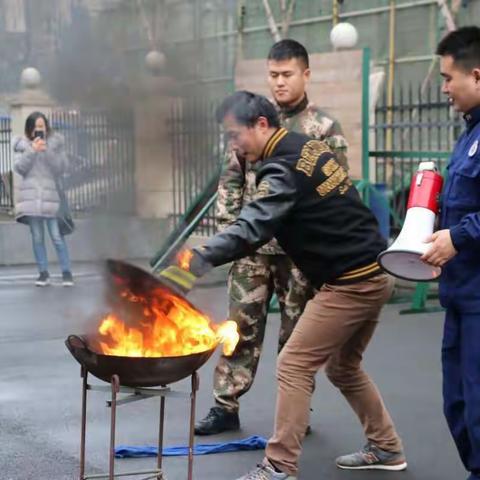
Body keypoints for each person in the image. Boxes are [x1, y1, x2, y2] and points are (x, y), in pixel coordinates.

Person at [160, 91, 406, 479]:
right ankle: (386, 446)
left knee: (293, 363)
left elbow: (254, 225)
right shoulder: (304, 147)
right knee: (343, 368)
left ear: (261, 125)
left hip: (352, 281)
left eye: (235, 134)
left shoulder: (282, 168)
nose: (234, 145)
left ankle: (279, 465)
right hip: (373, 270)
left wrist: (197, 259)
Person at [195, 38, 349, 436]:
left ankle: (296, 412)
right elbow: (230, 179)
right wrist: (230, 228)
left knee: (298, 335)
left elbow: (337, 186)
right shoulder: (253, 122)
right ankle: (225, 405)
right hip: (252, 249)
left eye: (287, 74)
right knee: (239, 328)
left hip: (299, 252)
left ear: (305, 74)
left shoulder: (324, 129)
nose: (279, 83)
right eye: (273, 75)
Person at [422, 26, 480, 480]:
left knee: (479, 408)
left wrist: (458, 237)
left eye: (447, 77)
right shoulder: (469, 134)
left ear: (476, 75)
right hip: (460, 297)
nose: (444, 88)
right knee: (457, 404)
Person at [13, 111, 74, 287]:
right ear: (30, 129)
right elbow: (20, 168)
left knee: (56, 237)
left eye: (42, 126)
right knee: (37, 238)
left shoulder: (55, 144)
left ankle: (66, 272)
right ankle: (43, 273)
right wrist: (32, 150)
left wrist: (47, 152)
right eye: (36, 127)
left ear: (46, 127)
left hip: (51, 198)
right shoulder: (23, 145)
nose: (40, 130)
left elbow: (61, 168)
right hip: (31, 199)